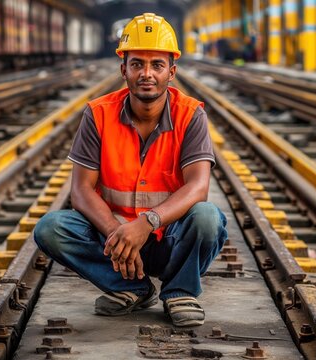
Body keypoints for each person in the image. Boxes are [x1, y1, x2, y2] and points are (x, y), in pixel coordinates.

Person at [33, 13, 228, 327]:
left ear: (172, 72)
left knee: (207, 217)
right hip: (116, 243)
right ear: (124, 69)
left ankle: (179, 292)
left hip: (170, 240)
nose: (146, 74)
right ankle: (133, 289)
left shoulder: (191, 116)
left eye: (157, 65)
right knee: (50, 228)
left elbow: (198, 188)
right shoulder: (98, 115)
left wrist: (147, 223)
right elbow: (80, 191)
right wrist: (118, 236)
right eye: (137, 64)